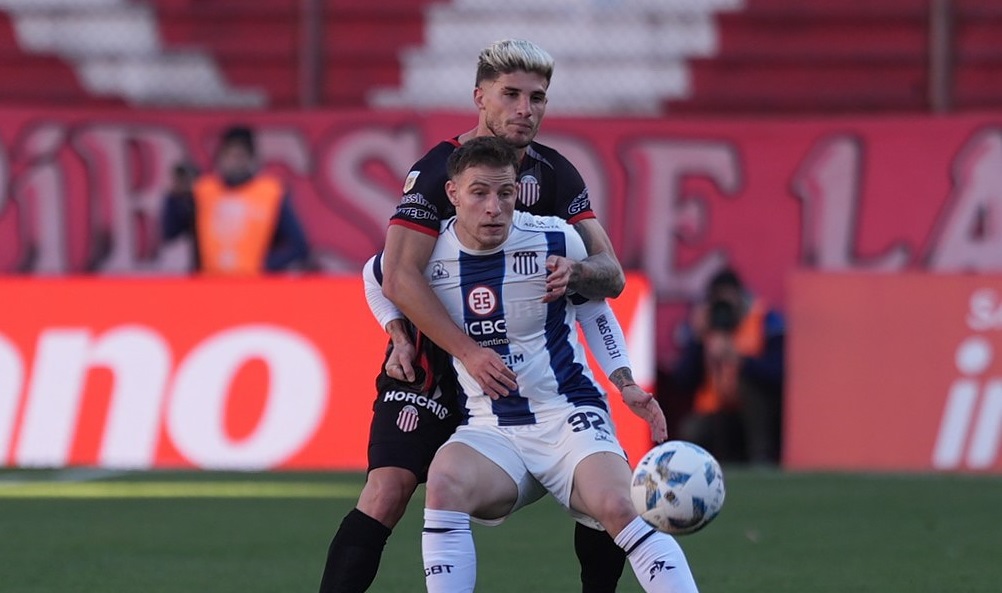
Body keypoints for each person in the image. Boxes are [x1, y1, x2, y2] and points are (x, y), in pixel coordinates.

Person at [318, 40, 629, 593]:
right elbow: (395, 273)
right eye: (510, 95)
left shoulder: (555, 175)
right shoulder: (437, 171)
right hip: (439, 357)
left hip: (522, 362)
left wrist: (577, 274)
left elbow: (611, 271)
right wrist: (413, 337)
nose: (524, 109)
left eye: (537, 98)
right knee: (387, 491)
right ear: (479, 98)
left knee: (601, 499)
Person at [399, 136, 698, 592]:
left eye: (505, 193)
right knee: (443, 482)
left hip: (567, 417)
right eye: (479, 193)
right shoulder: (428, 254)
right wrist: (397, 333)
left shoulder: (554, 237)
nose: (494, 206)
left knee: (622, 506)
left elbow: (596, 307)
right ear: (453, 194)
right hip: (491, 428)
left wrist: (625, 383)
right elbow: (376, 277)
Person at [672, 267, 785, 465]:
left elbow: (778, 373)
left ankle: (761, 458)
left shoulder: (764, 321)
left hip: (756, 414)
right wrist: (697, 340)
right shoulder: (705, 328)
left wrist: (740, 359)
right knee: (692, 430)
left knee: (751, 389)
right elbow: (683, 380)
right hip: (717, 414)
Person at [161, 125, 309, 275]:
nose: (234, 162)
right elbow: (170, 232)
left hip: (254, 287)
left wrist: (264, 267)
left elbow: (298, 245)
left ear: (252, 158)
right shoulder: (203, 190)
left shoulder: (270, 193)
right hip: (208, 286)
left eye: (239, 155)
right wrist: (175, 197)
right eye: (228, 154)